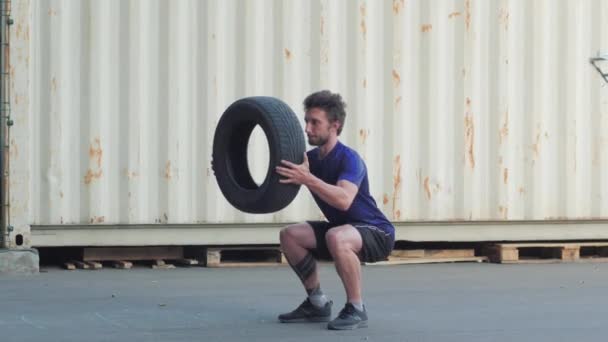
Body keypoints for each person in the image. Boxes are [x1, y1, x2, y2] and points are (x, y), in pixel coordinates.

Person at [275, 90, 395, 330]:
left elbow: (343, 200)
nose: (307, 129)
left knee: (336, 236)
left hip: (376, 231)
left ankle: (356, 308)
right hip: (342, 228)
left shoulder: (350, 159)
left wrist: (308, 179)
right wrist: (226, 169)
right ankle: (317, 303)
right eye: (306, 121)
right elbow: (276, 176)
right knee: (290, 235)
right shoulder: (309, 159)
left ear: (335, 125)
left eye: (315, 122)